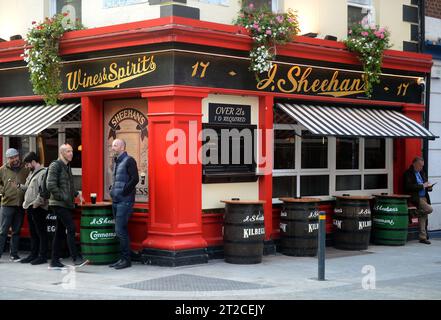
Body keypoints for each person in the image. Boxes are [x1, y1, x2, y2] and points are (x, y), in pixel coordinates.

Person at [46, 144, 85, 269]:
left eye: (72, 151)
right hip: (58, 204)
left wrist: (77, 194)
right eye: (68, 151)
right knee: (71, 228)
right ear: (62, 153)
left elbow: (69, 186)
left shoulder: (67, 167)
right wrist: (62, 197)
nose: (71, 153)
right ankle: (76, 258)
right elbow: (50, 185)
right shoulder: (55, 165)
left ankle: (54, 260)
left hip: (65, 204)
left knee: (60, 232)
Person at [109, 139, 139, 270]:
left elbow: (135, 179)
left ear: (122, 147)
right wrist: (112, 190)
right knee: (121, 230)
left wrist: (124, 191)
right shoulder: (116, 162)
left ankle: (126, 260)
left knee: (119, 230)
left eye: (115, 145)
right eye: (112, 145)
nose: (112, 148)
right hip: (116, 200)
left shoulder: (129, 160)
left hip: (125, 200)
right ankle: (122, 258)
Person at [0, 148, 29, 262]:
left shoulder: (25, 169)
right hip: (7, 204)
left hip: (20, 205)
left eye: (16, 157)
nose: (15, 159)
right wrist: (3, 191)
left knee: (16, 231)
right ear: (8, 159)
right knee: (3, 231)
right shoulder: (2, 170)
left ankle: (14, 254)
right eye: (12, 158)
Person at [20, 152, 49, 265]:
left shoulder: (43, 173)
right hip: (31, 206)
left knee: (41, 232)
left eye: (27, 164)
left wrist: (36, 204)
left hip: (38, 207)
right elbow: (28, 187)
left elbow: (44, 191)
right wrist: (19, 186)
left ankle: (42, 256)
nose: (26, 167)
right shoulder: (32, 173)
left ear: (33, 162)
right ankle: (33, 254)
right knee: (33, 232)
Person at [403, 156, 433, 244]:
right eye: (419, 165)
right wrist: (422, 186)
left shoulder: (422, 173)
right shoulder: (408, 173)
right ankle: (412, 213)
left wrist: (429, 187)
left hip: (424, 197)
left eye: (422, 166)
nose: (421, 167)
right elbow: (408, 187)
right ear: (414, 164)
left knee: (423, 216)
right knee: (429, 209)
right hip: (416, 197)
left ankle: (422, 237)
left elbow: (425, 184)